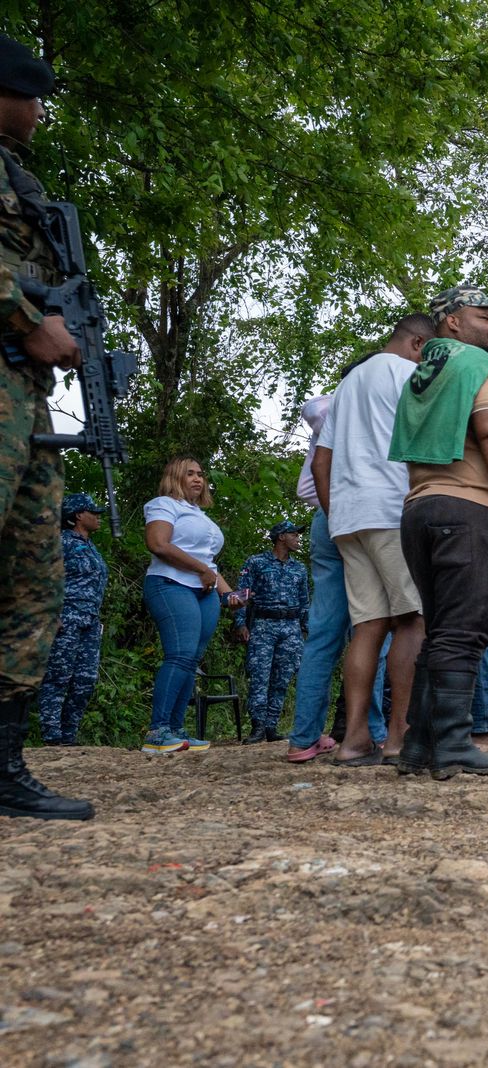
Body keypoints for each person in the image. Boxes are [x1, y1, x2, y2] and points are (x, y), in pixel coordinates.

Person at [389, 284, 488, 779]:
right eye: (485, 316)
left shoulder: (422, 373)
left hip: (420, 509)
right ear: (452, 320)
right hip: (468, 508)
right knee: (466, 632)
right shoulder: (475, 364)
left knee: (440, 634)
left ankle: (419, 745)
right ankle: (453, 745)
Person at [0, 37, 93, 820]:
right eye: (31, 95)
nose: (38, 111)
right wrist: (27, 319)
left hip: (24, 398)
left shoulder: (20, 180)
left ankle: (3, 767)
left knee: (33, 575)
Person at [313, 315, 435, 765]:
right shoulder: (411, 374)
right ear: (418, 343)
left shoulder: (346, 387)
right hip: (391, 510)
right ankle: (400, 737)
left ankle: (354, 740)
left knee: (367, 626)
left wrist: (337, 513)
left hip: (348, 518)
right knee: (413, 620)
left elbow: (320, 462)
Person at [285, 392, 386, 762]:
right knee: (372, 628)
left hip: (325, 518)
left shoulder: (325, 416)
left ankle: (303, 738)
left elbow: (307, 485)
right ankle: (373, 732)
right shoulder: (370, 411)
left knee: (324, 632)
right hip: (363, 515)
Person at [141, 456, 247, 754]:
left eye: (201, 474)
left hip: (205, 594)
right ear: (175, 477)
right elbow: (158, 544)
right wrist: (201, 571)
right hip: (170, 584)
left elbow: (209, 564)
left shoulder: (201, 515)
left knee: (192, 661)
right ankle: (157, 731)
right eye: (190, 474)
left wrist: (228, 595)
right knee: (179, 655)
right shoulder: (164, 504)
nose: (198, 479)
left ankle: (176, 730)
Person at [36, 493, 108, 746]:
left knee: (85, 679)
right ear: (78, 515)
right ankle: (52, 734)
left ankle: (69, 733)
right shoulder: (60, 542)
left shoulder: (90, 546)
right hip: (65, 617)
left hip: (90, 620)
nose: (98, 517)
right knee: (59, 675)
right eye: (93, 512)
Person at [234, 521, 311, 743]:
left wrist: (307, 629)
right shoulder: (256, 562)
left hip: (291, 627)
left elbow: (304, 602)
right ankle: (257, 726)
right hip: (263, 625)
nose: (298, 538)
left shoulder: (299, 568)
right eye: (293, 534)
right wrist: (241, 623)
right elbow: (241, 595)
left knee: (282, 678)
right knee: (259, 676)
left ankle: (271, 726)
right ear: (280, 537)